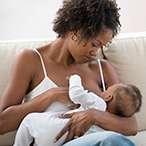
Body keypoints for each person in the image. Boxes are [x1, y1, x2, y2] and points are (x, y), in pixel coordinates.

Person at [0, 0, 138, 146]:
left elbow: (131, 125)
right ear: (76, 29)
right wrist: (52, 95)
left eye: (101, 47)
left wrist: (93, 116)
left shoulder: (102, 68)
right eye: (94, 44)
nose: (95, 53)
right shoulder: (31, 59)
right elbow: (2, 123)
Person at [13, 74, 142, 146]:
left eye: (106, 90)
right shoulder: (111, 125)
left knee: (29, 120)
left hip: (51, 130)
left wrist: (75, 78)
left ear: (108, 96)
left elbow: (76, 94)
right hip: (65, 141)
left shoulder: (99, 102)